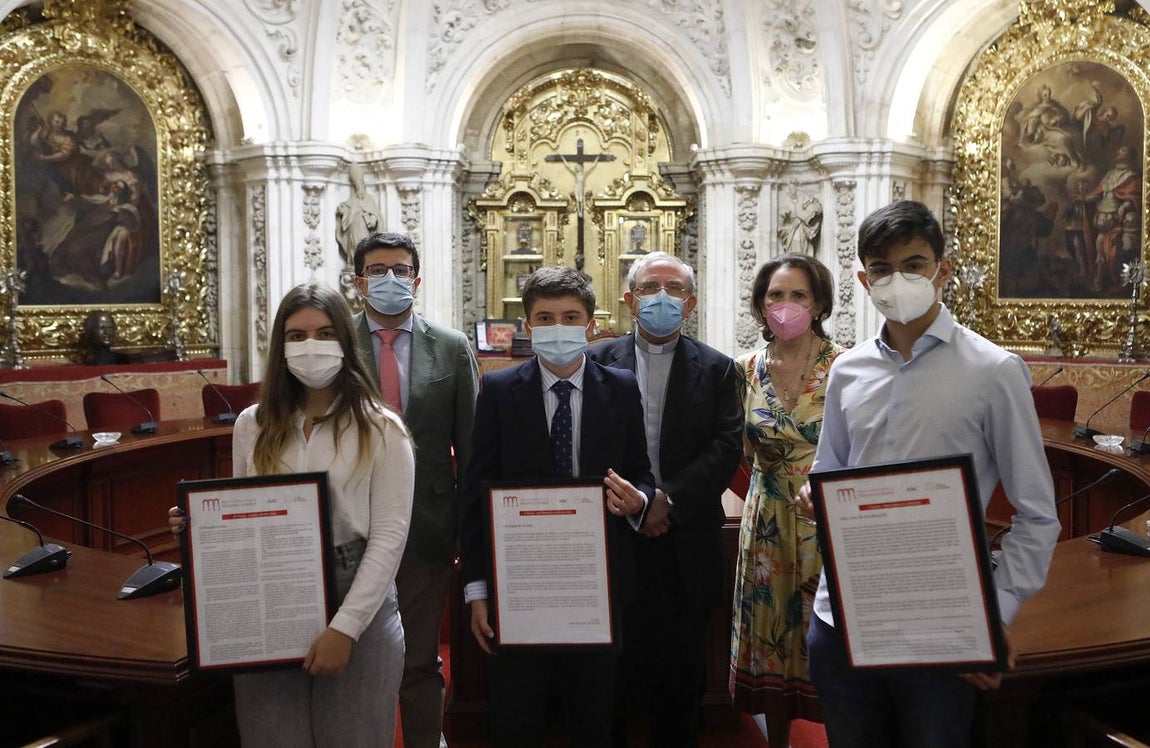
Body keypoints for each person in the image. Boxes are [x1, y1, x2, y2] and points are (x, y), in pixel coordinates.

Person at [797, 201, 1061, 747]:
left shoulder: (993, 370)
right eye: (883, 268)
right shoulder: (847, 369)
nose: (899, 279)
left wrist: (995, 611)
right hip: (843, 613)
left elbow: (1037, 514)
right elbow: (830, 472)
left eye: (914, 264)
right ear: (863, 278)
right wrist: (817, 497)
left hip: (941, 621)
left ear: (942, 268)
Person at [169, 282, 415, 745]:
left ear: (345, 340)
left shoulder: (383, 429)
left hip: (356, 592)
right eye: (296, 335)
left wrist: (345, 629)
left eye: (324, 333)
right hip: (271, 594)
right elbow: (245, 514)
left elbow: (389, 537)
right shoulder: (252, 424)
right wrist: (198, 525)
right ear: (281, 346)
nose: (311, 346)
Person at [459, 265, 655, 745]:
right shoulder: (501, 391)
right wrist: (476, 589)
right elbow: (476, 492)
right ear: (528, 328)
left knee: (595, 717)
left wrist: (640, 499)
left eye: (570, 317)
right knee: (518, 715)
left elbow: (642, 473)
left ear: (591, 326)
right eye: (545, 318)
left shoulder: (623, 387)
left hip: (598, 583)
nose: (558, 328)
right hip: (520, 583)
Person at [587, 251, 743, 746]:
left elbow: (725, 447)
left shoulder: (718, 368)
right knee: (612, 682)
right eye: (650, 287)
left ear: (691, 302)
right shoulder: (594, 361)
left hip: (686, 537)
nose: (662, 298)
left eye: (674, 289)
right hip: (614, 537)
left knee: (680, 682)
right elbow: (586, 446)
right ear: (629, 300)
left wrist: (664, 501)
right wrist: (633, 502)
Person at [349, 231, 479, 748]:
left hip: (427, 526)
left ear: (416, 280)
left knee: (420, 659)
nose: (389, 279)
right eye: (377, 270)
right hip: (350, 524)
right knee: (356, 656)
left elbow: (470, 450)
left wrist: (469, 536)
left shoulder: (449, 347)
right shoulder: (335, 343)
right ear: (359, 281)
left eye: (400, 270)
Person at [728, 253, 841, 748]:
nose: (786, 305)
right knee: (771, 635)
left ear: (818, 303)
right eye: (776, 294)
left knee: (830, 637)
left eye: (799, 295)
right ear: (761, 303)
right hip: (767, 518)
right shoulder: (744, 370)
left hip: (826, 516)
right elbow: (734, 448)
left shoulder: (846, 366)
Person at [335, 163, 381, 266]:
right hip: (353, 229)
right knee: (354, 247)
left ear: (364, 187)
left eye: (361, 187)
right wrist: (343, 212)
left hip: (364, 230)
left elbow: (376, 215)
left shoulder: (369, 199)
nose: (360, 191)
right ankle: (354, 263)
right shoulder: (352, 200)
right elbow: (346, 209)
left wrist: (373, 219)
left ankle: (364, 264)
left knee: (364, 246)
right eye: (357, 187)